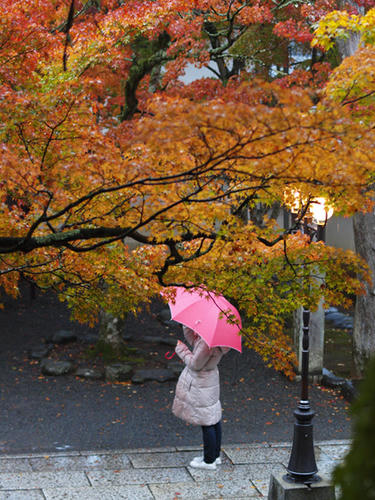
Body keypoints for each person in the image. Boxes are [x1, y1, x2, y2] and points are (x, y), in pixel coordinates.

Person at [172, 325, 229, 470]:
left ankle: (208, 461)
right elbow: (195, 342)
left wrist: (181, 350)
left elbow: (195, 364)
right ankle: (214, 456)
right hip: (209, 379)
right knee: (213, 418)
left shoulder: (206, 343)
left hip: (201, 381)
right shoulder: (216, 337)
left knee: (207, 421)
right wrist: (186, 326)